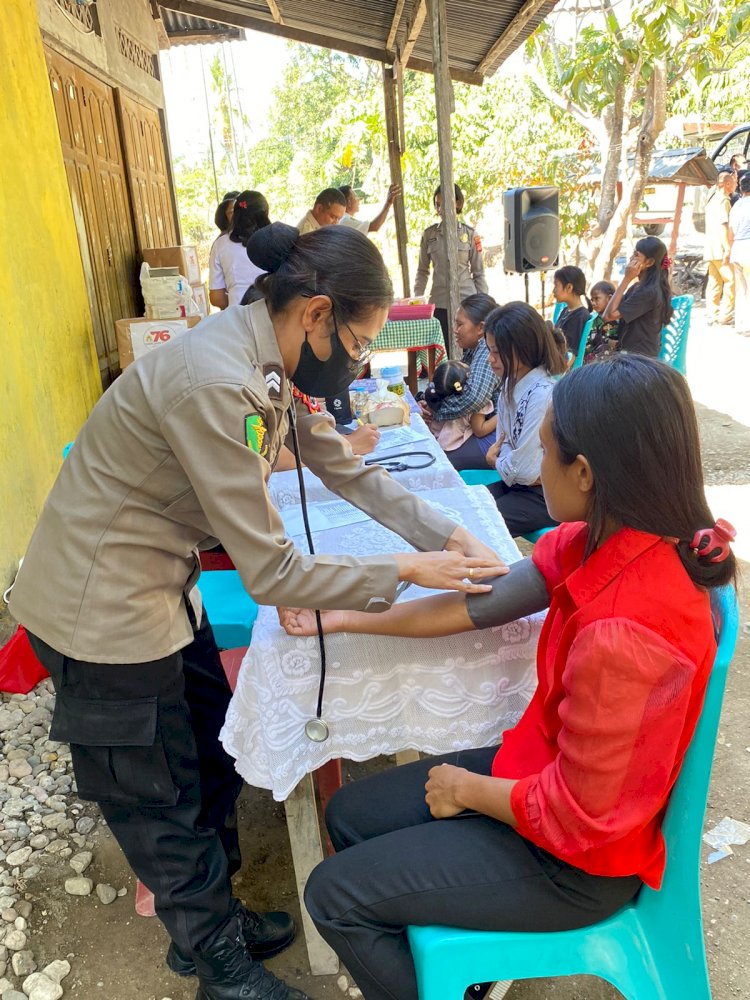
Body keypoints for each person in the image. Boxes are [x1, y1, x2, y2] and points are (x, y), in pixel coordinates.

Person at [8, 223, 505, 1000]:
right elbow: (272, 570)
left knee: (205, 757)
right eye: (359, 340)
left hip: (156, 590)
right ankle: (220, 971)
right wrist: (409, 568)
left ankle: (211, 924)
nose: (359, 360)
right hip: (99, 607)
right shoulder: (217, 380)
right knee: (157, 793)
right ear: (316, 313)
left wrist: (448, 533)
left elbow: (340, 465)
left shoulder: (260, 365)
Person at [280, 354, 736, 1000]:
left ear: (584, 473)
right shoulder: (609, 538)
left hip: (572, 863)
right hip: (539, 775)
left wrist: (468, 791)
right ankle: (456, 978)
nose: (526, 461)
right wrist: (344, 617)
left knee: (333, 896)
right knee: (349, 813)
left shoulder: (625, 636)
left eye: (544, 452)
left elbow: (579, 818)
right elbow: (478, 607)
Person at [483, 302, 567, 537]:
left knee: (481, 524)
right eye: (489, 350)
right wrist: (509, 461)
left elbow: (525, 471)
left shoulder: (541, 394)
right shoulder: (510, 384)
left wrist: (496, 460)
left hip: (547, 495)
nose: (490, 359)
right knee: (469, 504)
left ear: (523, 348)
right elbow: (508, 445)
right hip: (519, 487)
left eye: (497, 352)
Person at [418, 293, 499, 471]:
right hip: (478, 426)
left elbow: (472, 398)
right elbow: (452, 384)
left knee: (436, 461)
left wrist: (436, 410)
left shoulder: (487, 350)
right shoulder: (473, 350)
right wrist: (430, 400)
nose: (455, 330)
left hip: (495, 434)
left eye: (460, 324)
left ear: (481, 328)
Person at [414, 184, 488, 348]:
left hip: (467, 302)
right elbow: (422, 271)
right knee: (443, 350)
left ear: (458, 203)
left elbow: (479, 273)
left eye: (445, 203)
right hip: (440, 304)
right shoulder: (429, 235)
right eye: (437, 204)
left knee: (469, 349)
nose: (440, 209)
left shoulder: (470, 235)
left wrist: (485, 305)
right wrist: (418, 301)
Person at [602, 235, 673, 357]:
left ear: (649, 262)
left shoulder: (649, 292)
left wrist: (626, 278)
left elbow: (608, 315)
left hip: (639, 358)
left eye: (636, 255)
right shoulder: (639, 287)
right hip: (631, 352)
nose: (630, 258)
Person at [420, 359, 496, 463]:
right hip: (452, 448)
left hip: (436, 440)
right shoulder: (476, 403)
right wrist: (501, 416)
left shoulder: (436, 396)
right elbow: (480, 430)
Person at [209, 190, 270, 309]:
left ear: (235, 215)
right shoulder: (278, 238)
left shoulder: (220, 245)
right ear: (265, 213)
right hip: (274, 315)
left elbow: (217, 298)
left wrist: (236, 302)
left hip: (238, 317)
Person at [704, 170, 737, 326]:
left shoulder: (711, 200)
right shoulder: (724, 201)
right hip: (719, 247)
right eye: (735, 183)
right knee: (731, 281)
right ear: (728, 184)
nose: (736, 186)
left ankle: (712, 313)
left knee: (714, 281)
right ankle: (725, 315)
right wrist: (728, 248)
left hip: (710, 247)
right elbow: (724, 225)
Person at [729, 172, 750, 336]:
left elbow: (731, 232)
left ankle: (741, 324)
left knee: (740, 289)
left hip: (737, 248)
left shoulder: (736, 205)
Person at [552, 265, 592, 354]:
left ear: (569, 287)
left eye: (556, 285)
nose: (553, 290)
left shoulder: (580, 316)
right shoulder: (566, 310)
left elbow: (571, 355)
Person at [582, 280, 618, 363]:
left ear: (609, 298)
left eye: (596, 298)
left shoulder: (619, 318)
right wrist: (607, 341)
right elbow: (592, 338)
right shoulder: (593, 319)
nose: (593, 303)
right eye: (592, 300)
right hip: (597, 363)